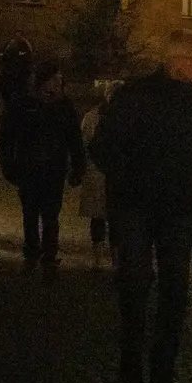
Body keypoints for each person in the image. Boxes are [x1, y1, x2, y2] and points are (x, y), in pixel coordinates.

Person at [92, 29, 192, 383]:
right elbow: (103, 147)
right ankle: (136, 358)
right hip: (139, 205)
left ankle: (159, 370)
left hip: (171, 207)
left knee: (169, 288)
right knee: (138, 283)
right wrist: (131, 179)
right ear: (177, 61)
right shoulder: (137, 95)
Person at [0, 60, 86, 280]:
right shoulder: (23, 103)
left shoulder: (64, 106)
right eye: (55, 79)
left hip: (53, 169)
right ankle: (31, 253)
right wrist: (9, 165)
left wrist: (78, 166)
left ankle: (49, 256)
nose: (59, 83)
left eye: (60, 80)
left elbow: (74, 138)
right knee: (29, 213)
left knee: (50, 215)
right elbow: (8, 137)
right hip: (29, 168)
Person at [79, 81, 117, 270]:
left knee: (106, 217)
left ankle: (106, 256)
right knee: (101, 216)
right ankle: (101, 256)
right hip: (101, 173)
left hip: (103, 173)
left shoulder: (92, 117)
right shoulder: (93, 117)